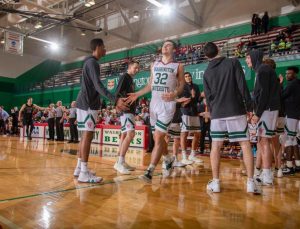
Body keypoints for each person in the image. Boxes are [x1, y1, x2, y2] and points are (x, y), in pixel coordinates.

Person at [203, 42, 259, 194]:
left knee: (215, 146)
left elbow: (208, 97)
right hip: (235, 109)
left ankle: (216, 183)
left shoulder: (206, 72)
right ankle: (250, 183)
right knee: (245, 144)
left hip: (217, 113)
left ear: (206, 56)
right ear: (219, 49)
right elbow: (242, 86)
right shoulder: (233, 62)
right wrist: (249, 107)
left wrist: (213, 113)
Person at [127, 40, 185, 182]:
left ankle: (149, 171)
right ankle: (168, 158)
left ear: (173, 50)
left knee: (159, 137)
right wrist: (138, 94)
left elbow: (181, 85)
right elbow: (150, 85)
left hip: (167, 104)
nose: (165, 46)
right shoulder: (154, 64)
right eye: (164, 44)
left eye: (169, 45)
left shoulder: (178, 65)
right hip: (154, 104)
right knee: (157, 137)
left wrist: (175, 94)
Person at [73, 38, 128, 183]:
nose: (105, 49)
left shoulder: (88, 62)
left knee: (85, 136)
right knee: (87, 136)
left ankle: (79, 168)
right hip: (88, 103)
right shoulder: (93, 63)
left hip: (84, 102)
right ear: (98, 47)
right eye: (104, 47)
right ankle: (84, 172)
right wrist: (114, 99)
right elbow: (98, 85)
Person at [245, 50, 280, 185]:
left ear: (254, 57)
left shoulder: (263, 70)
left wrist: (257, 113)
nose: (247, 60)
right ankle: (266, 174)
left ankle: (267, 176)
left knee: (264, 141)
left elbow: (264, 94)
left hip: (267, 110)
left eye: (248, 58)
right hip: (267, 109)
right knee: (262, 141)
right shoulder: (262, 69)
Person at [113, 60, 140, 174]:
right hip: (126, 109)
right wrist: (117, 106)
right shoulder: (125, 76)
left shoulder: (130, 79)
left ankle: (120, 161)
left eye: (138, 68)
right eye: (135, 67)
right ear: (129, 67)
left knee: (124, 135)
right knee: (131, 134)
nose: (137, 70)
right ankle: (120, 162)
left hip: (129, 110)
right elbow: (117, 92)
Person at [180, 72, 203, 164]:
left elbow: (197, 100)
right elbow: (185, 100)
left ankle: (192, 155)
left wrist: (200, 96)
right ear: (184, 78)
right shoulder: (182, 87)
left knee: (198, 134)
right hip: (185, 111)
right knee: (184, 134)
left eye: (189, 76)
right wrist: (192, 96)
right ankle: (184, 156)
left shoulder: (196, 86)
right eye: (185, 76)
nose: (188, 77)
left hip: (194, 111)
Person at [281, 67, 300, 175]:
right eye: (286, 73)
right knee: (293, 140)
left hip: (291, 114)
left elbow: (282, 96)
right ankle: (297, 164)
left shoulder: (291, 85)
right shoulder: (298, 84)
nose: (287, 75)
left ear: (294, 74)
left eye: (289, 74)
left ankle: (289, 166)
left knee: (289, 140)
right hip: (296, 115)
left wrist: (279, 85)